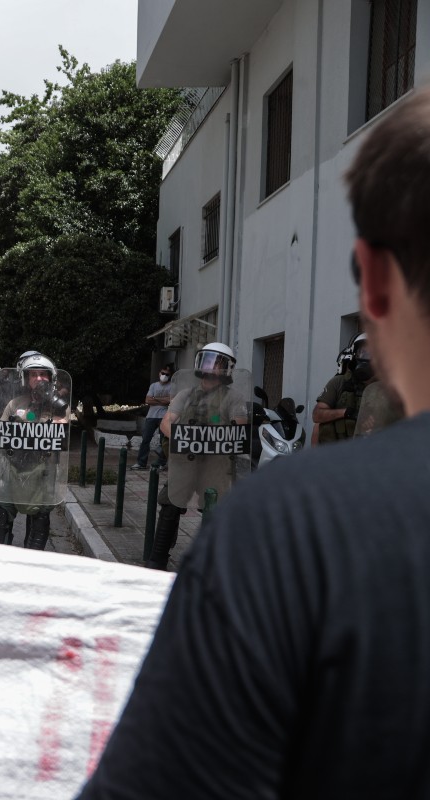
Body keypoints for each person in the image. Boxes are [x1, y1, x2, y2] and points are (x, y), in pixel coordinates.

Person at [81, 90, 430, 798]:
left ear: (376, 282)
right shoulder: (277, 518)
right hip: (191, 474)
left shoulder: (292, 534)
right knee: (173, 521)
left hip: (229, 483)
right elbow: (175, 422)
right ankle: (153, 562)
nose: (214, 370)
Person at [146, 342, 248, 570]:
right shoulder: (185, 394)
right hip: (186, 459)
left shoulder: (234, 398)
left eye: (218, 362)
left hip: (216, 462)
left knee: (215, 509)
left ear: (227, 368)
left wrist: (210, 434)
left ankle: (209, 564)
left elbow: (239, 425)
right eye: (208, 360)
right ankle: (157, 558)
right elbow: (166, 423)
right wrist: (186, 438)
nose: (211, 366)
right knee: (170, 503)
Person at [0, 351, 68, 549]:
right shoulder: (15, 404)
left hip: (42, 474)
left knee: (39, 524)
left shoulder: (59, 408)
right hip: (13, 471)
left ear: (51, 378)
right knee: (0, 520)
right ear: (25, 378)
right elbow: (0, 435)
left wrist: (54, 407)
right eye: (34, 374)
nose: (39, 378)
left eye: (43, 374)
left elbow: (61, 435)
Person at [312, 332, 376, 444]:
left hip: (373, 449)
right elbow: (317, 415)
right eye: (363, 353)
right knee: (318, 426)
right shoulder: (339, 382)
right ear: (354, 355)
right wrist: (348, 413)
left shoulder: (386, 388)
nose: (367, 357)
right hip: (338, 450)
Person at [131, 363, 174, 470]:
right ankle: (141, 463)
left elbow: (170, 401)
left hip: (164, 417)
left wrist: (155, 398)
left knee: (163, 441)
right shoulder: (153, 385)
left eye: (167, 374)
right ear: (159, 373)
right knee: (145, 439)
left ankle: (161, 462)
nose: (164, 376)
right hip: (151, 416)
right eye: (163, 373)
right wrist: (163, 400)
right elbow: (147, 400)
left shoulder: (172, 386)